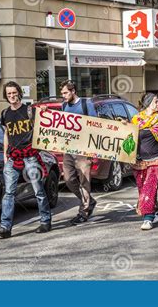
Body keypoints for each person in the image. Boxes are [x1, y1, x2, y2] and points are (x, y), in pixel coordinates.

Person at [0, 81, 52, 238]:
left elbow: (46, 122)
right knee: (9, 193)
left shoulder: (30, 110)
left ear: (19, 93)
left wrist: (45, 110)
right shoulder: (5, 114)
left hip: (30, 156)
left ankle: (45, 221)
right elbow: (6, 134)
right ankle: (5, 227)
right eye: (9, 93)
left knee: (38, 189)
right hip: (12, 157)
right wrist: (5, 155)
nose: (12, 96)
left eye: (14, 93)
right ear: (6, 96)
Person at [59, 80, 98, 225]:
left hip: (83, 148)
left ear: (73, 91)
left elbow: (95, 125)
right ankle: (89, 202)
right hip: (69, 148)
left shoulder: (85, 104)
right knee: (69, 179)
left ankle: (84, 211)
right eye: (62, 93)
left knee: (84, 181)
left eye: (65, 93)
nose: (63, 96)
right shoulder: (63, 106)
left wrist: (92, 151)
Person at [131, 93, 158, 231]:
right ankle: (154, 210)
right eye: (155, 102)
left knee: (149, 188)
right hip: (139, 161)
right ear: (147, 104)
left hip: (155, 159)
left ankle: (148, 218)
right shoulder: (136, 120)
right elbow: (129, 137)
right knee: (142, 189)